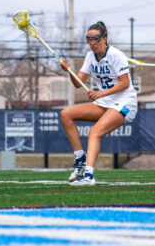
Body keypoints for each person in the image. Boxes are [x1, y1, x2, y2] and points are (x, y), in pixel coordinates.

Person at [59, 21, 138, 186]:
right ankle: (80, 160)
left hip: (125, 103)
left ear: (105, 38)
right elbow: (77, 83)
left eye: (96, 39)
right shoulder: (90, 57)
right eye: (89, 39)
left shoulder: (116, 55)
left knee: (94, 132)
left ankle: (89, 176)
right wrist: (69, 72)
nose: (92, 43)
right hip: (105, 103)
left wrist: (100, 93)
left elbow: (125, 83)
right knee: (66, 114)